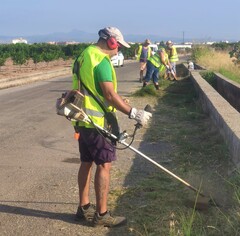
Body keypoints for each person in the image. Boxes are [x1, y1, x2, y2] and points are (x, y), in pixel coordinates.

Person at [72, 26, 152, 228]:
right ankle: (102, 214)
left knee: (86, 162)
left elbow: (93, 91)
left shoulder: (84, 55)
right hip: (98, 123)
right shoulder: (102, 61)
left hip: (82, 119)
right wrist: (133, 112)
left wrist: (115, 101)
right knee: (104, 165)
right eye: (119, 47)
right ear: (112, 42)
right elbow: (108, 94)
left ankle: (83, 207)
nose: (119, 51)